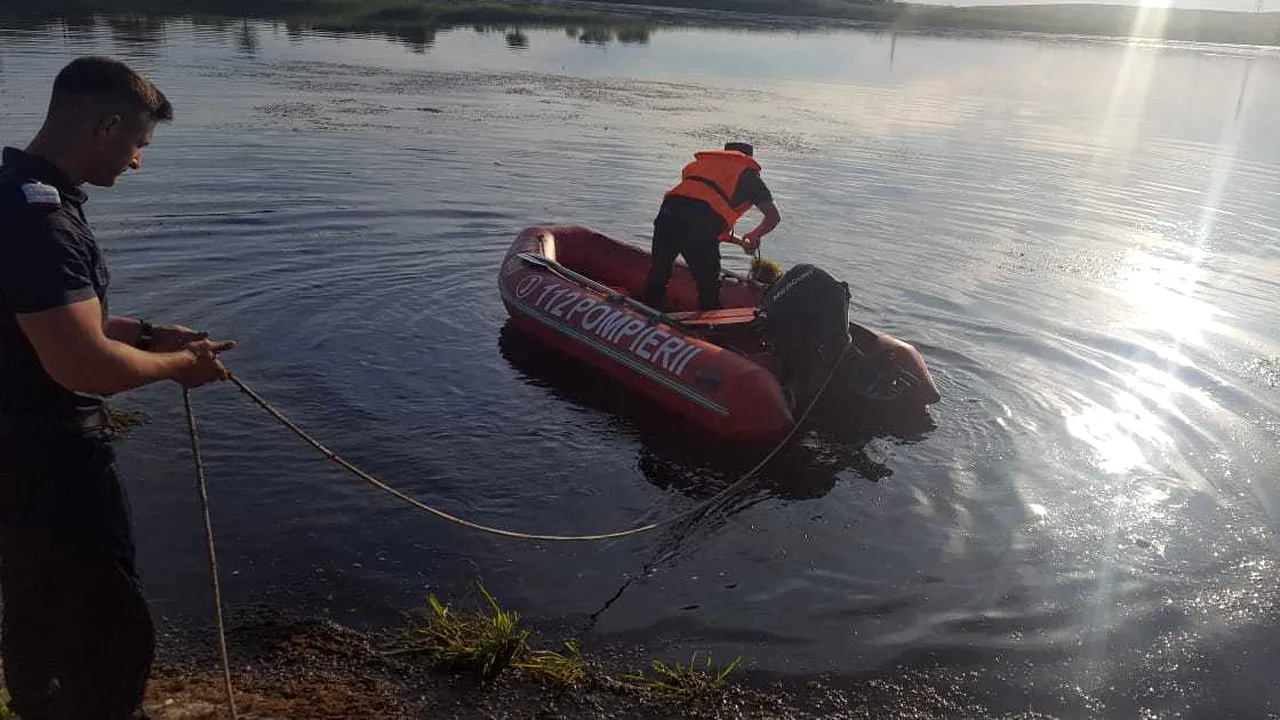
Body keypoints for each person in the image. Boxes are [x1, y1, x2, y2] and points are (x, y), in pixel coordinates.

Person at [0, 56, 235, 719]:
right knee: (106, 632)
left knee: (37, 607)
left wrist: (148, 334)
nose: (137, 162)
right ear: (105, 126)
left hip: (17, 455)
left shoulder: (16, 194)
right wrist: (179, 366)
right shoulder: (41, 223)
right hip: (49, 461)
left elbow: (48, 322)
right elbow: (82, 367)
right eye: (138, 143)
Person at [640, 141, 782, 311]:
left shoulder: (702, 167)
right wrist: (755, 235)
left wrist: (742, 242)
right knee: (708, 286)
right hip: (699, 226)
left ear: (724, 153)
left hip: (667, 216)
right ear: (749, 158)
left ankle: (647, 312)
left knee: (659, 273)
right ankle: (709, 322)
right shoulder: (749, 177)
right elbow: (773, 217)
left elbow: (700, 215)